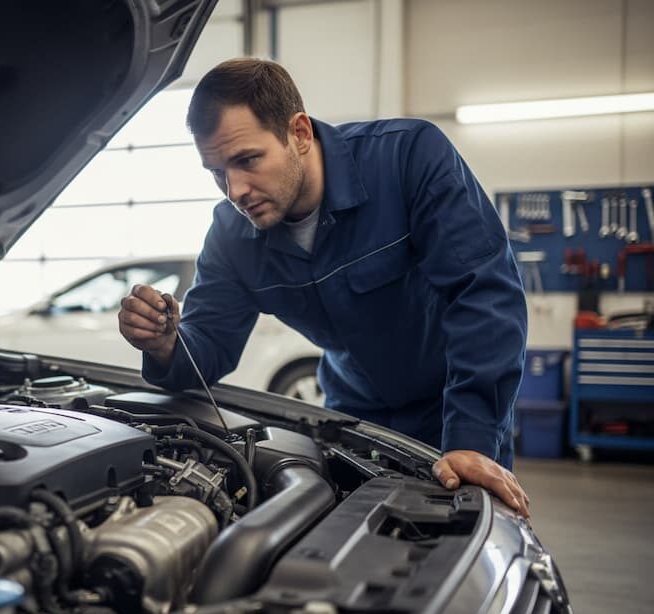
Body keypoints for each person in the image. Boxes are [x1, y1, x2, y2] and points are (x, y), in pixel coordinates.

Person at [117, 58, 531, 518]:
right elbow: (207, 347)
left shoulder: (407, 159)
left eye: (247, 160)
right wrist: (164, 344)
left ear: (298, 133)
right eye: (216, 172)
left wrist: (472, 440)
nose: (234, 190)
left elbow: (485, 294)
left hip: (456, 408)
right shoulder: (232, 237)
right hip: (353, 420)